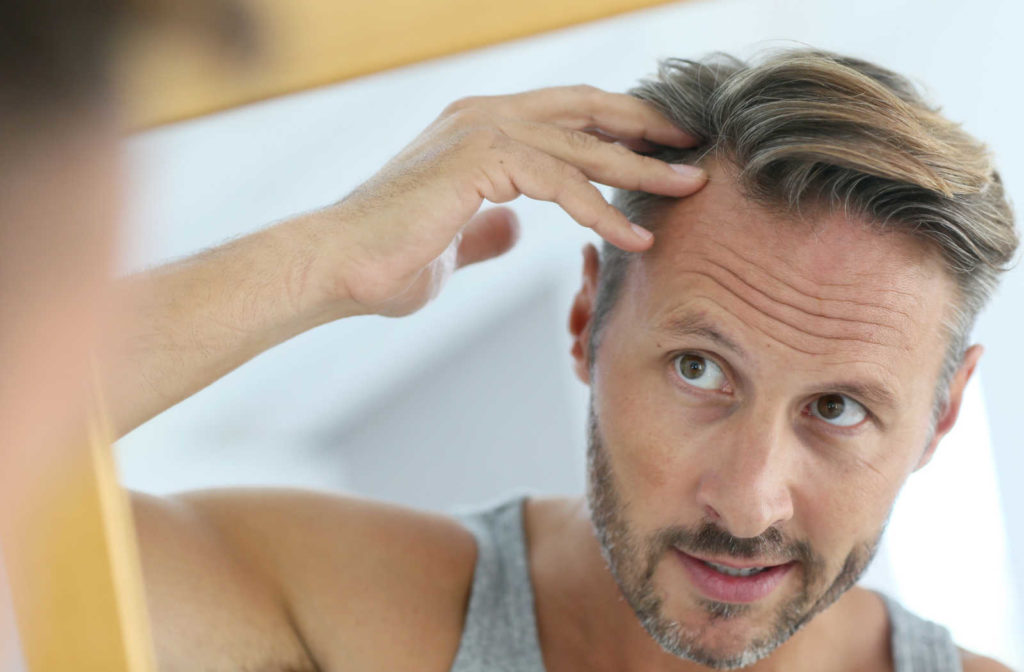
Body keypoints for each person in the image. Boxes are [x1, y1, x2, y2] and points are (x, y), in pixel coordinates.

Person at [0, 3, 1016, 670]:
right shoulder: (345, 616)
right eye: (699, 369)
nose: (748, 500)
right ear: (586, 322)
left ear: (939, 416)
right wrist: (325, 258)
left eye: (837, 408)